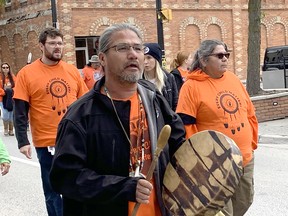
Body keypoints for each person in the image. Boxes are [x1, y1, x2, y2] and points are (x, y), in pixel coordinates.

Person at [49, 23, 186, 216]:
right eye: (122, 48)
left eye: (138, 48)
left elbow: (179, 144)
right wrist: (123, 187)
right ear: (102, 58)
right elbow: (65, 177)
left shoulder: (154, 99)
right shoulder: (80, 115)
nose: (133, 54)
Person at [176, 39, 258, 216]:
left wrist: (251, 143)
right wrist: (199, 161)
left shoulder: (233, 79)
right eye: (220, 55)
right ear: (204, 60)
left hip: (244, 157)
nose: (225, 59)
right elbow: (186, 126)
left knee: (245, 200)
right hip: (215, 164)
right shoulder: (191, 87)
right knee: (221, 211)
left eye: (226, 55)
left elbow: (250, 113)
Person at [13, 27, 88, 216]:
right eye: (53, 43)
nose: (58, 47)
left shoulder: (71, 71)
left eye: (60, 43)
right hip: (46, 140)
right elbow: (20, 109)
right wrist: (22, 140)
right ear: (41, 46)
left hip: (75, 139)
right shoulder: (26, 73)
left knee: (76, 185)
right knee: (52, 189)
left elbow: (86, 104)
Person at [143, 43, 178, 111]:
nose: (145, 62)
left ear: (156, 59)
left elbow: (175, 103)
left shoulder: (169, 78)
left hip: (165, 119)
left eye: (149, 58)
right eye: (143, 58)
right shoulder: (139, 79)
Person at [0, 62, 16, 136]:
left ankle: (11, 130)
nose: (5, 69)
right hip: (3, 98)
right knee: (5, 114)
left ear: (9, 68)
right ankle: (6, 128)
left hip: (11, 98)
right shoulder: (0, 77)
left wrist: (12, 90)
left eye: (7, 67)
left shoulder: (12, 77)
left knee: (11, 114)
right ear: (1, 69)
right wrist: (4, 91)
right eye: (4, 67)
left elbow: (17, 86)